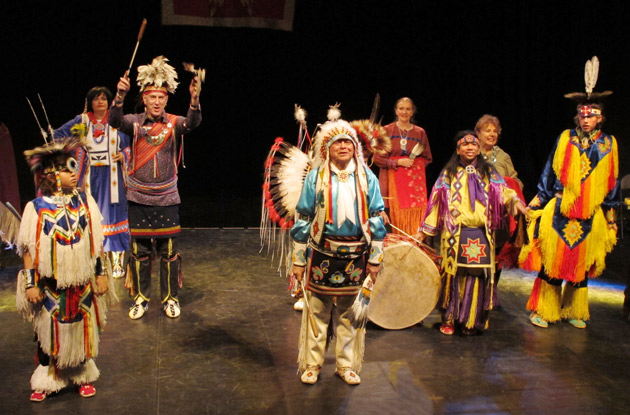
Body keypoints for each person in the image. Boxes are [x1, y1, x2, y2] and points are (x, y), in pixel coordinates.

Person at [519, 57, 619, 329]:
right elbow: (549, 173)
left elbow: (611, 183)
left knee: (580, 266)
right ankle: (544, 308)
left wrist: (610, 218)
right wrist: (538, 200)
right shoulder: (566, 138)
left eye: (592, 115)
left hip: (590, 215)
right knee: (552, 263)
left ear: (601, 117)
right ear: (577, 116)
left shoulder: (609, 144)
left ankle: (573, 308)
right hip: (561, 211)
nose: (586, 120)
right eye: (583, 115)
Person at [15, 134, 115, 401]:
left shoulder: (85, 202)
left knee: (82, 330)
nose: (75, 174)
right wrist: (30, 284)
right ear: (52, 175)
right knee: (48, 334)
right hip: (51, 286)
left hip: (81, 285)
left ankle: (81, 374)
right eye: (68, 169)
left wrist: (101, 275)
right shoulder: (35, 208)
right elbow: (28, 250)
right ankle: (48, 378)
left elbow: (96, 243)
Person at [291, 108, 386, 385]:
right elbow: (304, 219)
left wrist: (376, 259)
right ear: (328, 149)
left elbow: (377, 217)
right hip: (322, 252)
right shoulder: (316, 177)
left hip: (357, 254)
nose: (343, 146)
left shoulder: (367, 178)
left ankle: (346, 365)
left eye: (348, 142)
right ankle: (312, 364)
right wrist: (298, 260)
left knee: (349, 314)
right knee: (316, 312)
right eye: (338, 142)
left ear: (355, 147)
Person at [110, 56, 202, 319]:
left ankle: (171, 298)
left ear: (166, 99)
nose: (157, 102)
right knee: (139, 253)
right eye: (152, 97)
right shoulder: (134, 123)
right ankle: (140, 299)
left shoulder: (174, 123)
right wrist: (119, 96)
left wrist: (194, 101)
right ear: (145, 98)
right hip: (139, 198)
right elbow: (114, 121)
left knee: (169, 254)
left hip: (167, 198)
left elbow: (193, 123)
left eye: (162, 97)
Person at [418, 131, 527, 335]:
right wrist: (423, 232)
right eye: (465, 145)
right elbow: (435, 203)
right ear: (458, 149)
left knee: (476, 277)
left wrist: (516, 203)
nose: (470, 148)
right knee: (453, 275)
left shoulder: (489, 173)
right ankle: (449, 319)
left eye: (474, 145)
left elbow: (505, 192)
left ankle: (470, 320)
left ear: (478, 149)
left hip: (481, 233)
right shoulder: (448, 174)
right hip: (454, 233)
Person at [55, 87, 131, 278]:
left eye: (104, 99)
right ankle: (96, 262)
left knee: (113, 216)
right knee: (90, 215)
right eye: (96, 99)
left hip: (111, 177)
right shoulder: (82, 121)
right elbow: (59, 136)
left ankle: (117, 263)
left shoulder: (116, 120)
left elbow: (131, 145)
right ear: (90, 102)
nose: (100, 102)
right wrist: (72, 147)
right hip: (89, 178)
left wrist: (123, 155)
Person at [475, 114, 525, 282]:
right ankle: (474, 288)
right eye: (487, 131)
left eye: (495, 131)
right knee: (476, 251)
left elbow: (516, 181)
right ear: (478, 133)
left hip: (498, 214)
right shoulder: (470, 152)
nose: (492, 134)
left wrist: (509, 190)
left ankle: (491, 292)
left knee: (496, 252)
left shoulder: (503, 157)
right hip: (475, 212)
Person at [373, 97, 432, 235]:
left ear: (412, 112)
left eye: (408, 109)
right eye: (401, 108)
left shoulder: (419, 133)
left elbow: (427, 158)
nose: (404, 112)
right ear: (396, 111)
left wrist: (413, 166)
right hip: (389, 182)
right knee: (391, 221)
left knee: (414, 225)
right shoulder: (386, 130)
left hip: (412, 187)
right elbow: (377, 158)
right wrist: (398, 163)